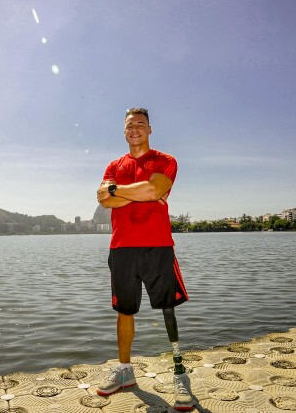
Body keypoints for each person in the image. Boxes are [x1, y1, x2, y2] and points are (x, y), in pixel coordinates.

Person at [96, 107, 193, 411]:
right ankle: (125, 371)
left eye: (141, 124)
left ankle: (180, 373)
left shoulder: (165, 161)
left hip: (157, 245)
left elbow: (153, 189)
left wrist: (122, 192)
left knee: (167, 307)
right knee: (125, 310)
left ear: (150, 130)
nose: (135, 129)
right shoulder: (114, 164)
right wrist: (135, 192)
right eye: (130, 125)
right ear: (124, 131)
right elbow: (104, 199)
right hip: (121, 248)